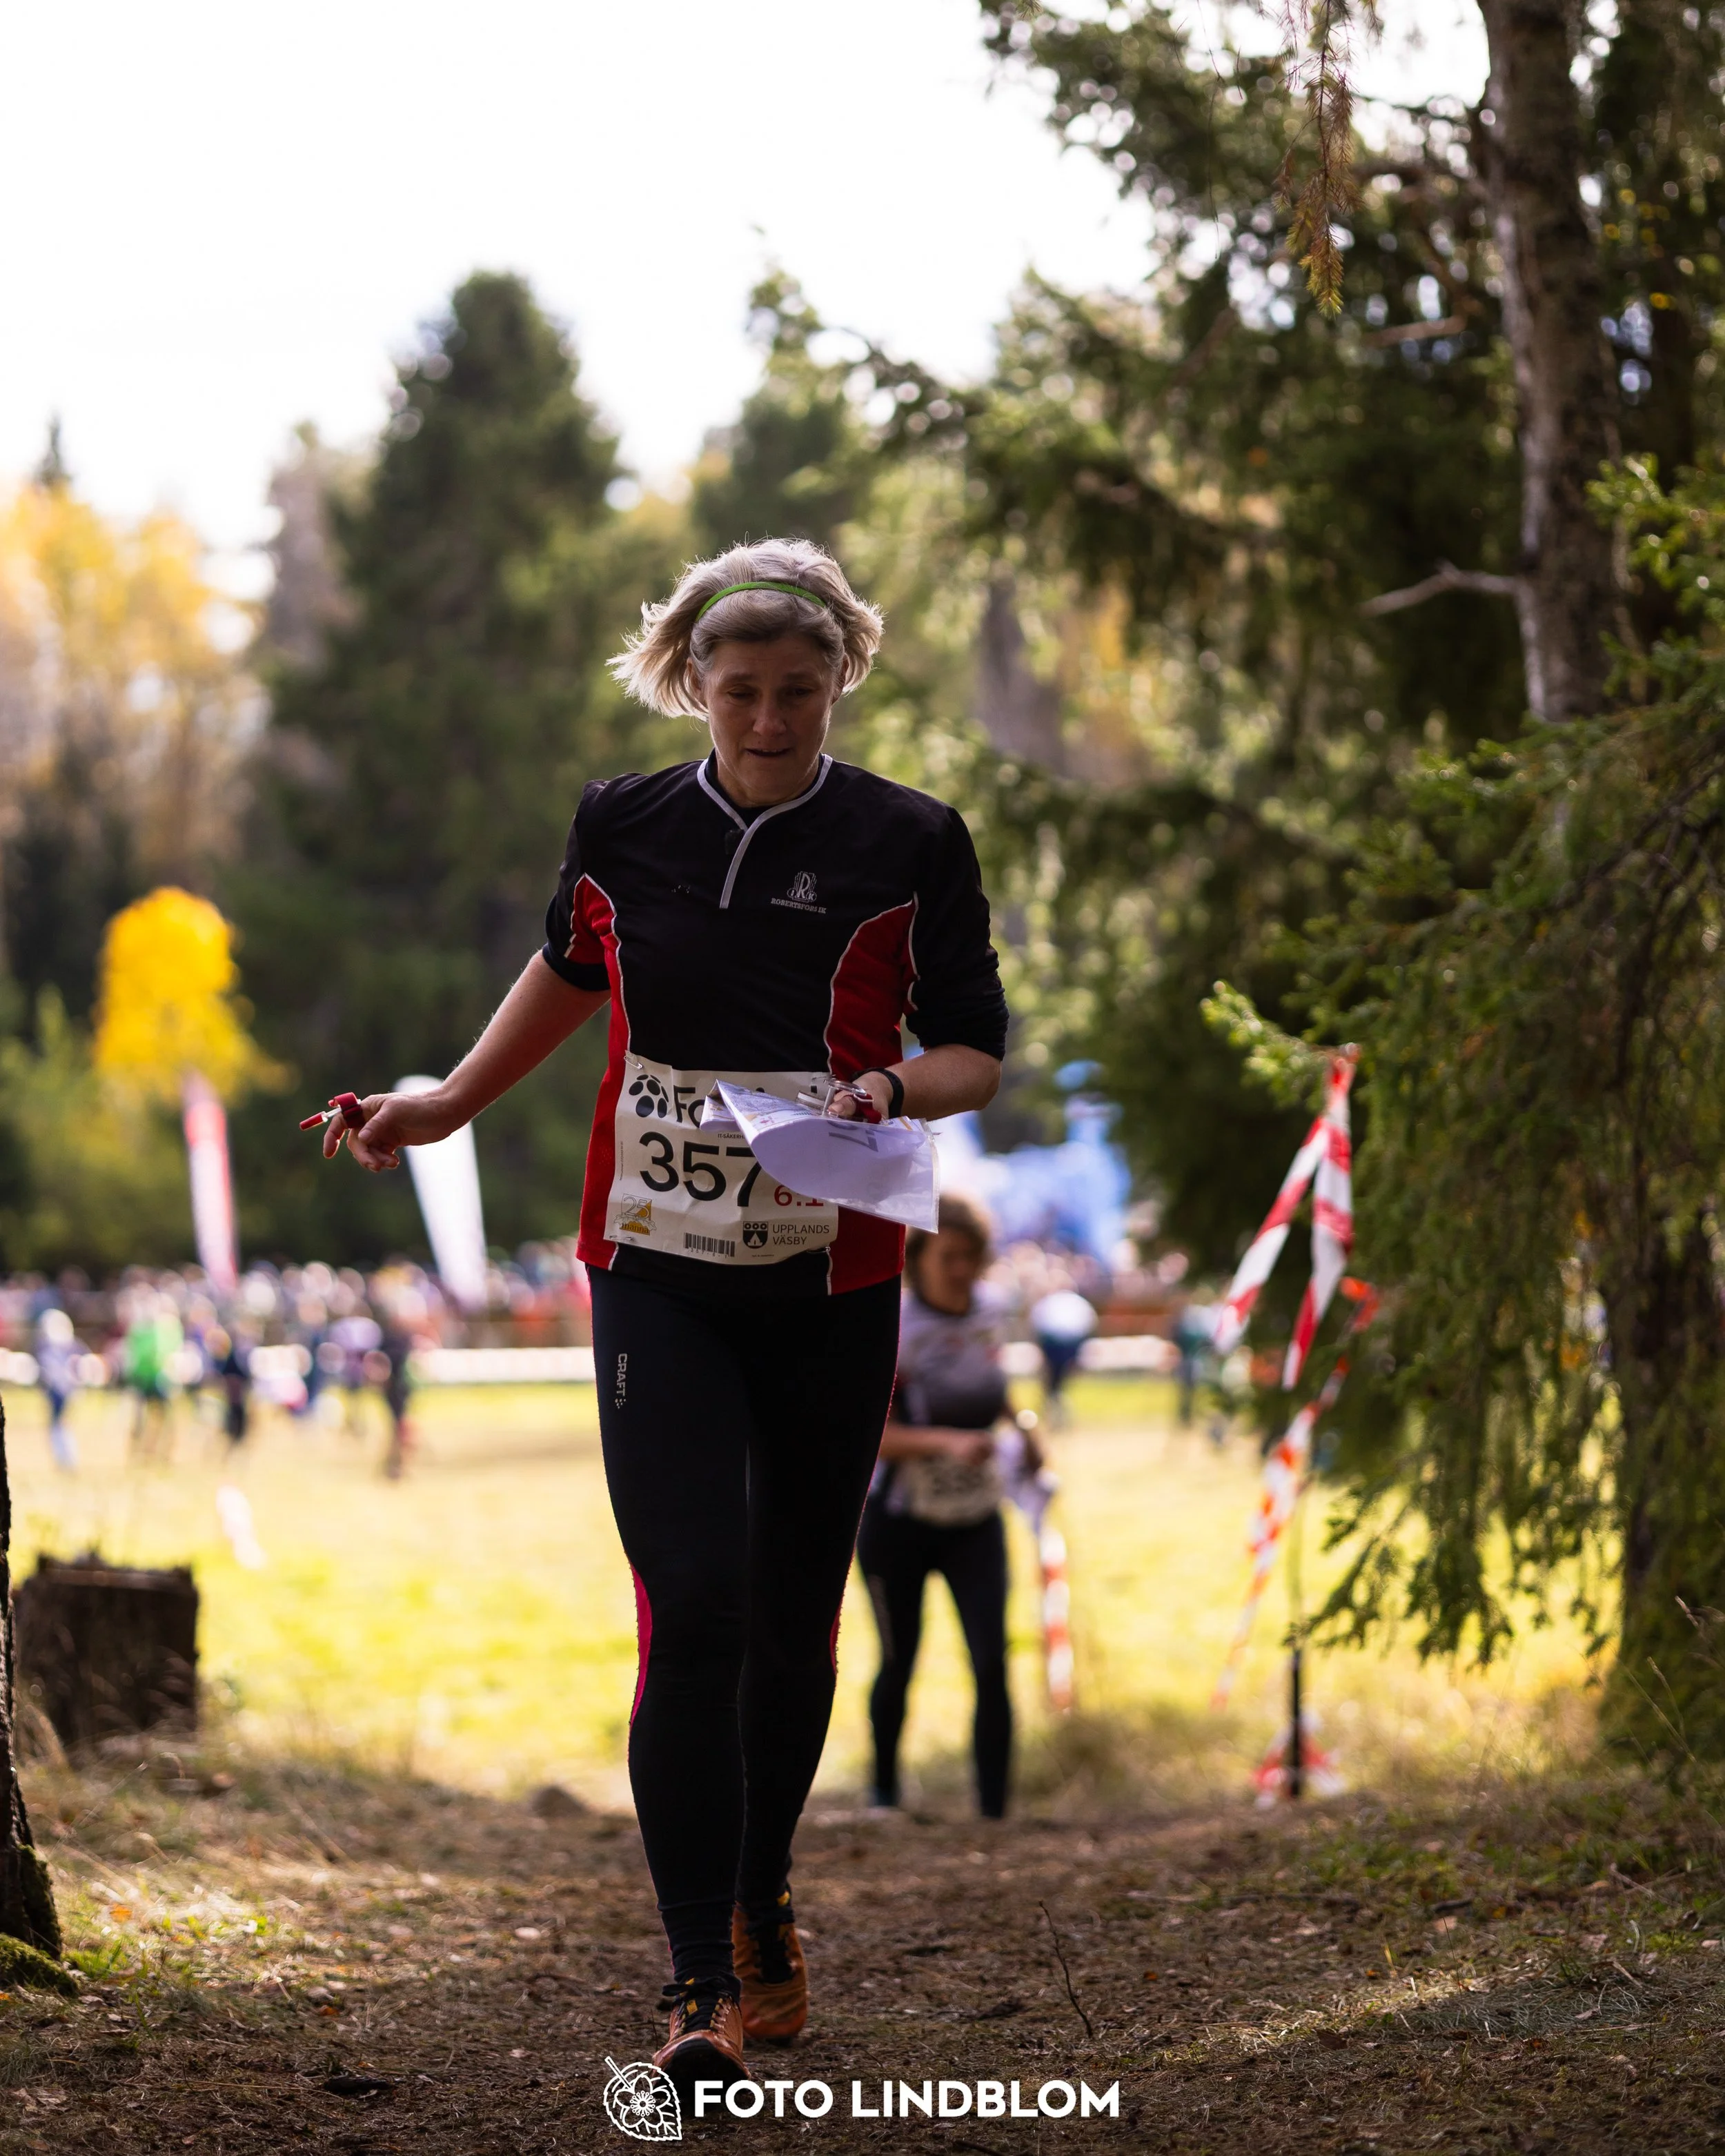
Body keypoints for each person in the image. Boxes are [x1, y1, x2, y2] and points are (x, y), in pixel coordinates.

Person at [320, 538, 1007, 2104]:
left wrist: (893, 1085)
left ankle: (764, 1890)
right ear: (692, 682)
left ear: (842, 679)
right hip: (653, 1261)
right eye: (740, 690)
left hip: (833, 1270)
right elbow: (571, 968)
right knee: (690, 1600)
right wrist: (444, 1105)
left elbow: (974, 1047)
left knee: (789, 1620)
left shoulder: (910, 837)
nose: (768, 719)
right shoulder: (624, 820)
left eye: (798, 690)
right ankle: (699, 1975)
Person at [857, 1194, 1038, 1821]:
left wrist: (1026, 1428)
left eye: (971, 1256)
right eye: (948, 1256)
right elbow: (867, 1437)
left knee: (992, 1658)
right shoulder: (895, 1325)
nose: (961, 1269)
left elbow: (995, 1387)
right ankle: (883, 1794)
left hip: (976, 1522)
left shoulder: (992, 1313)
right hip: (898, 1523)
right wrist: (946, 1443)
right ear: (919, 1259)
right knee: (899, 1659)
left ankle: (995, 1810)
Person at [1030, 1277, 1098, 1426]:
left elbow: (1037, 1325)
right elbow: (1089, 1324)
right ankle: (1055, 1403)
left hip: (1056, 1345)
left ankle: (1054, 1403)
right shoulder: (1077, 1302)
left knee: (1054, 1381)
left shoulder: (1050, 1302)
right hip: (1067, 1344)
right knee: (1058, 1381)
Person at [35, 1309, 83, 1473]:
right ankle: (65, 1460)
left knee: (60, 1426)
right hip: (59, 1391)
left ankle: (67, 1460)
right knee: (60, 1426)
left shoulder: (64, 1347)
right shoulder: (62, 1346)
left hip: (63, 1392)